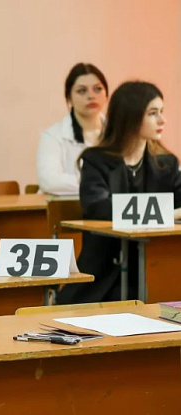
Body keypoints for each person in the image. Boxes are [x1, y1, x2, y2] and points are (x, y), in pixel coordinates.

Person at [56, 81, 181, 304]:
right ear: (130, 117)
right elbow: (97, 206)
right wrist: (167, 214)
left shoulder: (166, 163)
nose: (162, 120)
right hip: (104, 273)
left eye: (162, 111)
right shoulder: (96, 160)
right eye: (153, 113)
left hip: (156, 270)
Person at [37, 63, 109, 194]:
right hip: (64, 205)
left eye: (98, 89)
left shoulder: (120, 132)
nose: (91, 96)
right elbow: (49, 180)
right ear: (69, 97)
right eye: (82, 91)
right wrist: (102, 183)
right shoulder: (53, 135)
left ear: (106, 95)